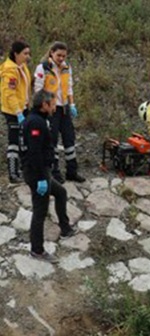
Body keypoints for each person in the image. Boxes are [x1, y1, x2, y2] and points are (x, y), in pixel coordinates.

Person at [22, 90, 77, 264]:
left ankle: (65, 228)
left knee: (60, 193)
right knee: (40, 211)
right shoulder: (35, 123)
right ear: (44, 105)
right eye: (52, 104)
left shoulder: (39, 119)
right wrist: (40, 179)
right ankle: (37, 250)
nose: (55, 107)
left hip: (42, 171)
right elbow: (34, 153)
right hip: (37, 173)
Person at [33, 41, 85, 183]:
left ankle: (72, 171)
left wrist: (72, 103)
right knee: (52, 140)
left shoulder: (67, 68)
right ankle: (54, 171)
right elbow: (38, 90)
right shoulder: (43, 68)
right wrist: (44, 108)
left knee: (69, 139)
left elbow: (68, 87)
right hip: (51, 109)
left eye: (64, 56)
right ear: (52, 53)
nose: (61, 58)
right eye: (59, 55)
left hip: (64, 108)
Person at [1, 41, 31, 183]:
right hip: (13, 110)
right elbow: (9, 93)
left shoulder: (21, 67)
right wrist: (18, 112)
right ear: (16, 54)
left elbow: (24, 88)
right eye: (25, 53)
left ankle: (23, 169)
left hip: (23, 107)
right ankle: (12, 173)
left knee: (23, 139)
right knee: (14, 141)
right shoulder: (10, 70)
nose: (27, 56)